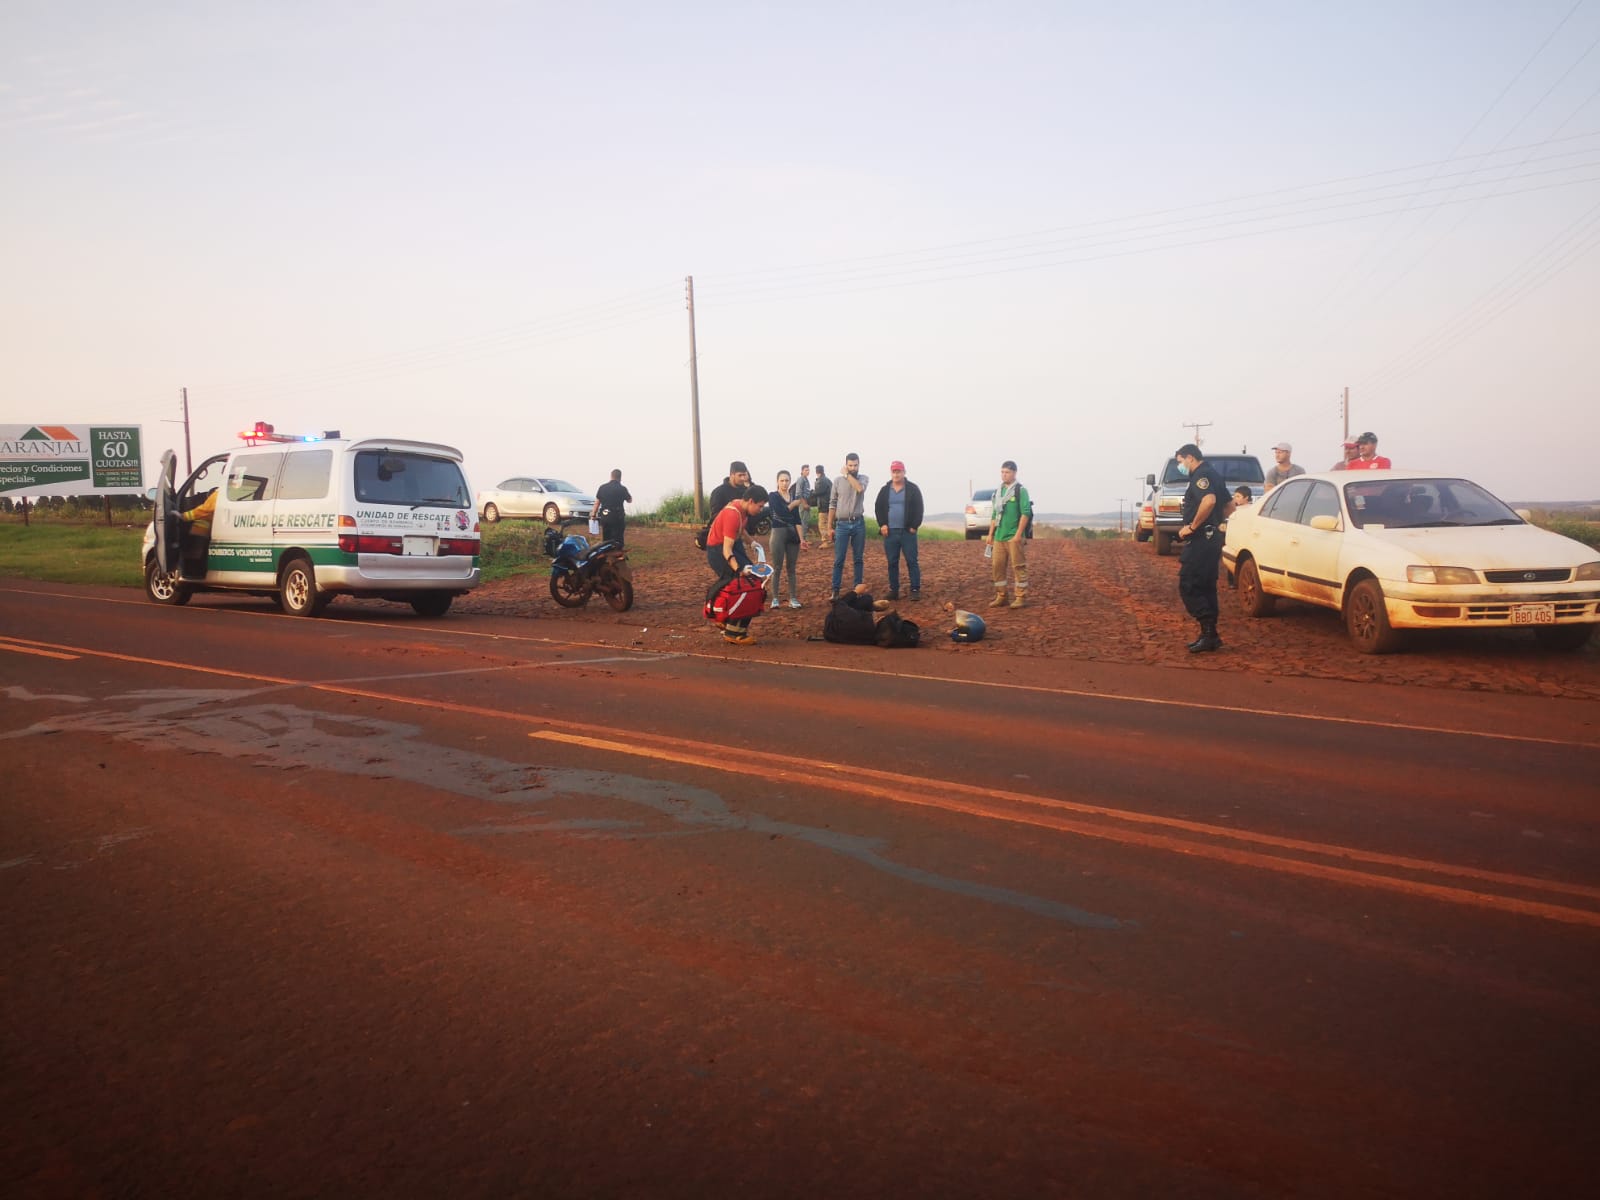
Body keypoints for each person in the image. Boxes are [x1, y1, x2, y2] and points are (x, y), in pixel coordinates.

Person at [1172, 443, 1226, 653]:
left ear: (1190, 458)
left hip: (1201, 539)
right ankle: (1210, 636)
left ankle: (1208, 631)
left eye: (1180, 462)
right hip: (1213, 539)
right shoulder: (1214, 474)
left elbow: (1210, 500)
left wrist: (1192, 527)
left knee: (1189, 585)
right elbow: (1228, 506)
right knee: (1206, 586)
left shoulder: (1200, 476)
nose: (1181, 466)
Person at [705, 484, 770, 645]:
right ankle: (733, 631)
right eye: (760, 506)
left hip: (732, 547)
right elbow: (727, 550)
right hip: (719, 551)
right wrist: (739, 569)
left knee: (753, 581)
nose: (761, 510)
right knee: (744, 584)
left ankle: (725, 619)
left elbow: (740, 531)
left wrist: (753, 544)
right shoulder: (732, 514)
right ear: (750, 501)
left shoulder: (741, 509)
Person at [873, 459, 924, 601]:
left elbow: (919, 508)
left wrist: (914, 525)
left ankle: (915, 589)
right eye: (894, 471)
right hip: (890, 532)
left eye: (899, 471)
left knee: (912, 561)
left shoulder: (912, 489)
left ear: (904, 472)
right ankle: (894, 590)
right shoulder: (884, 490)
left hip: (907, 532)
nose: (896, 474)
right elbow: (878, 508)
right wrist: (882, 524)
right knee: (892, 562)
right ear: (891, 473)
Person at [983, 460, 1030, 608]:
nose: (1004, 475)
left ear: (1014, 473)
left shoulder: (1020, 491)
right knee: (997, 566)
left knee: (1018, 567)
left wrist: (1018, 535)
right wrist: (990, 534)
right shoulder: (998, 492)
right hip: (999, 536)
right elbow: (995, 514)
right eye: (1002, 472)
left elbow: (1025, 513)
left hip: (1013, 536)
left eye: (1007, 472)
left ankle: (1020, 597)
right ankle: (1002, 595)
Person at [828, 453, 869, 598]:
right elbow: (832, 504)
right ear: (846, 464)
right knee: (839, 559)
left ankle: (857, 590)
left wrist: (847, 475)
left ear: (859, 465)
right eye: (850, 465)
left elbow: (859, 489)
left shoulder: (863, 478)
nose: (853, 468)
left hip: (858, 522)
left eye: (855, 465)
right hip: (842, 524)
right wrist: (829, 527)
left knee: (858, 558)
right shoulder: (837, 481)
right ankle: (835, 590)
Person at [766, 470, 806, 609]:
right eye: (782, 480)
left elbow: (797, 520)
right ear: (777, 481)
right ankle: (775, 598)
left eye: (787, 480)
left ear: (790, 481)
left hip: (792, 534)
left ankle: (793, 598)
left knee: (791, 568)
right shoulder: (773, 496)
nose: (784, 483)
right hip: (778, 532)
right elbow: (781, 513)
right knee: (777, 567)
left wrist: (802, 539)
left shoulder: (793, 497)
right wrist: (794, 504)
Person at [594, 469, 632, 546]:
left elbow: (597, 503)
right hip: (617, 516)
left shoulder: (602, 487)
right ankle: (617, 554)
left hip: (605, 515)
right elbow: (629, 500)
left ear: (611, 476)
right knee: (618, 538)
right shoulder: (622, 488)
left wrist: (593, 514)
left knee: (606, 538)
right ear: (620, 478)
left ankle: (607, 553)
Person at [809, 461, 832, 546]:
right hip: (829, 504)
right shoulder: (828, 480)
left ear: (816, 472)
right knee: (827, 523)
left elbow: (818, 491)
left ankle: (826, 541)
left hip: (823, 505)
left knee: (822, 524)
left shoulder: (821, 480)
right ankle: (830, 539)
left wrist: (810, 492)